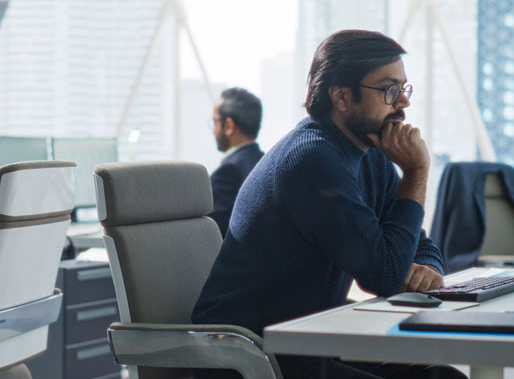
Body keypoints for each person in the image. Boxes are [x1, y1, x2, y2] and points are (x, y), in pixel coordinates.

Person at [190, 30, 464, 379]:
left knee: (444, 376)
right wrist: (417, 170)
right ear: (341, 97)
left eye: (404, 89)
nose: (403, 103)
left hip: (305, 345)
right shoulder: (312, 160)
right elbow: (385, 277)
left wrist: (428, 267)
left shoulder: (370, 156)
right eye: (389, 89)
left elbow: (416, 243)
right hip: (249, 357)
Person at [208, 87, 265, 236]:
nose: (213, 130)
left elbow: (213, 234)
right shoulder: (266, 163)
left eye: (215, 122)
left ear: (228, 125)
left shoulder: (227, 172)